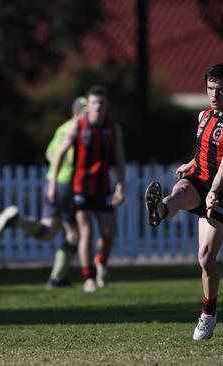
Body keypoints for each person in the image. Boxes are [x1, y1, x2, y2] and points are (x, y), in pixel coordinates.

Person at [145, 63, 223, 340]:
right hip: (198, 179)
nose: (213, 95)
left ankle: (208, 313)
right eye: (209, 89)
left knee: (205, 259)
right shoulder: (203, 116)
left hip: (222, 190)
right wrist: (191, 162)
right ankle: (161, 208)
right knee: (180, 190)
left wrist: (214, 191)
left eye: (219, 90)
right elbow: (204, 149)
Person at [0, 96, 88, 288]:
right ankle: (57, 278)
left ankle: (17, 221)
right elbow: (70, 159)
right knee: (75, 234)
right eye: (86, 111)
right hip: (68, 184)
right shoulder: (77, 130)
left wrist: (55, 176)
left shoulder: (62, 128)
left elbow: (50, 154)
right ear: (78, 112)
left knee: (48, 232)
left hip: (52, 182)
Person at [48, 85, 126, 293]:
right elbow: (60, 154)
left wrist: (120, 186)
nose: (97, 106)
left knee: (108, 234)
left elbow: (119, 159)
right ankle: (88, 277)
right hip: (81, 187)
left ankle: (101, 261)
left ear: (106, 105)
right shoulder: (78, 127)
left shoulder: (113, 129)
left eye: (101, 102)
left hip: (103, 188)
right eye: (94, 102)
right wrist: (53, 183)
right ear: (88, 105)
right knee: (86, 232)